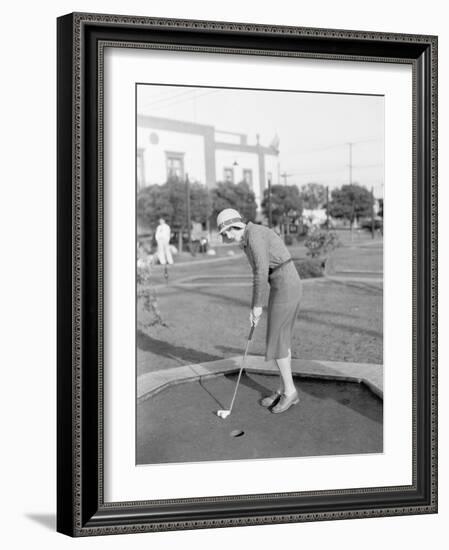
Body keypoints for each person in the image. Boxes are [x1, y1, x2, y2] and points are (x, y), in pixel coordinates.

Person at [217, 208, 303, 413]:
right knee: (280, 340)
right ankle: (284, 389)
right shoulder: (247, 238)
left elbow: (260, 272)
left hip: (286, 285)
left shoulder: (254, 236)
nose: (226, 236)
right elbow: (261, 272)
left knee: (276, 341)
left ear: (234, 226)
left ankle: (290, 392)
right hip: (282, 284)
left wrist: (256, 306)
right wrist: (257, 306)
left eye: (226, 232)